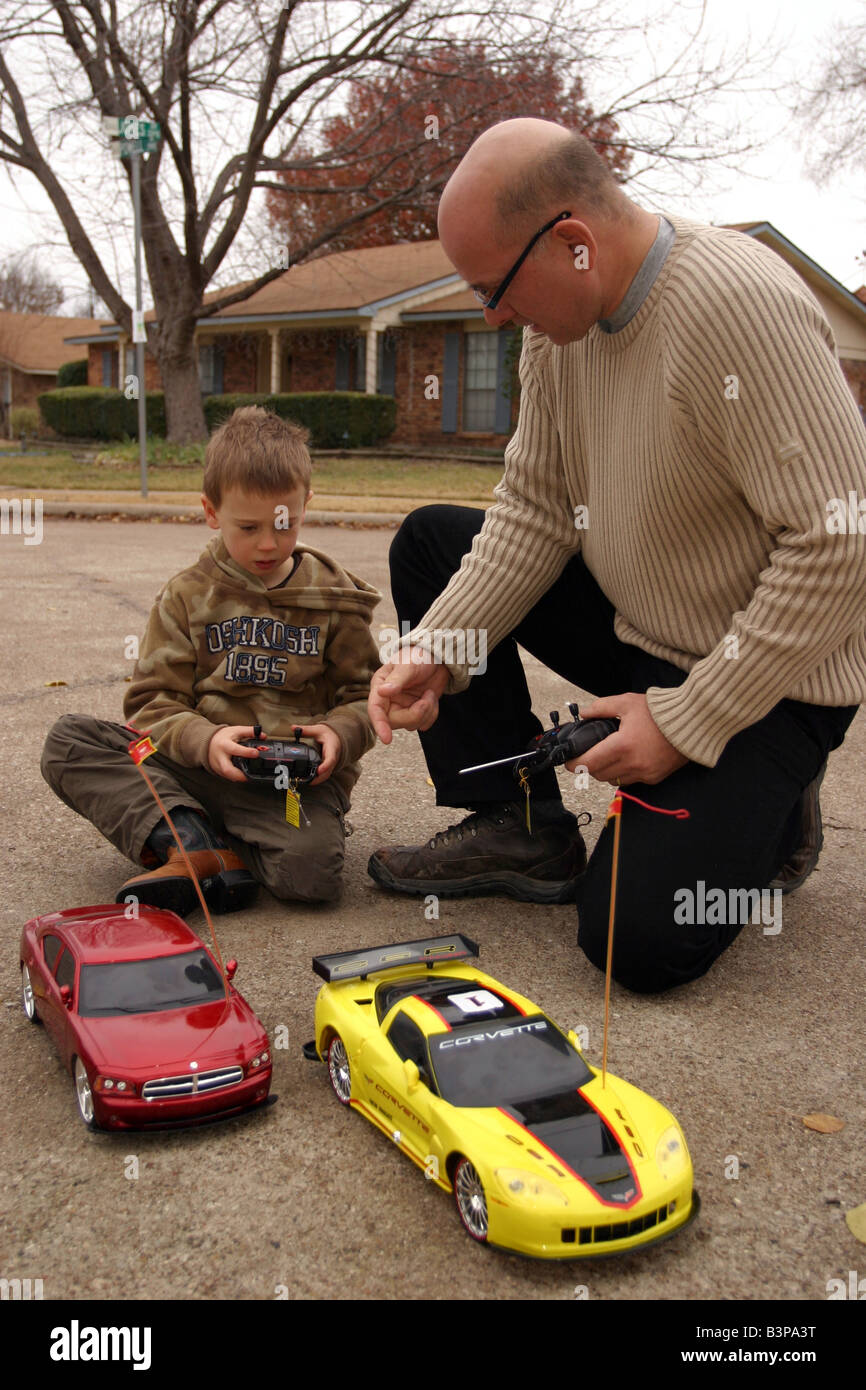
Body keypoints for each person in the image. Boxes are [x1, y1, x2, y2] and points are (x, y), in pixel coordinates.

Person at [366, 118, 866, 992]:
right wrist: (436, 649)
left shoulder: (739, 307)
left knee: (635, 944)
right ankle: (522, 824)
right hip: (643, 629)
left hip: (773, 675)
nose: (494, 315)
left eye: (495, 289)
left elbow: (841, 539)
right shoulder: (556, 331)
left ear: (573, 242)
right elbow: (535, 509)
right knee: (434, 544)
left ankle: (774, 806)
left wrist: (687, 720)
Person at [42, 406, 380, 914]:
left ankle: (204, 844)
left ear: (305, 505)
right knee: (70, 743)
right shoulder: (186, 595)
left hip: (286, 788)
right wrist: (205, 739)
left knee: (310, 878)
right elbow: (153, 702)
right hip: (192, 769)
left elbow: (363, 697)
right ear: (210, 511)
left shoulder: (335, 601)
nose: (267, 543)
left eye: (282, 524)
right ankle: (192, 839)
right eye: (246, 527)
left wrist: (339, 733)